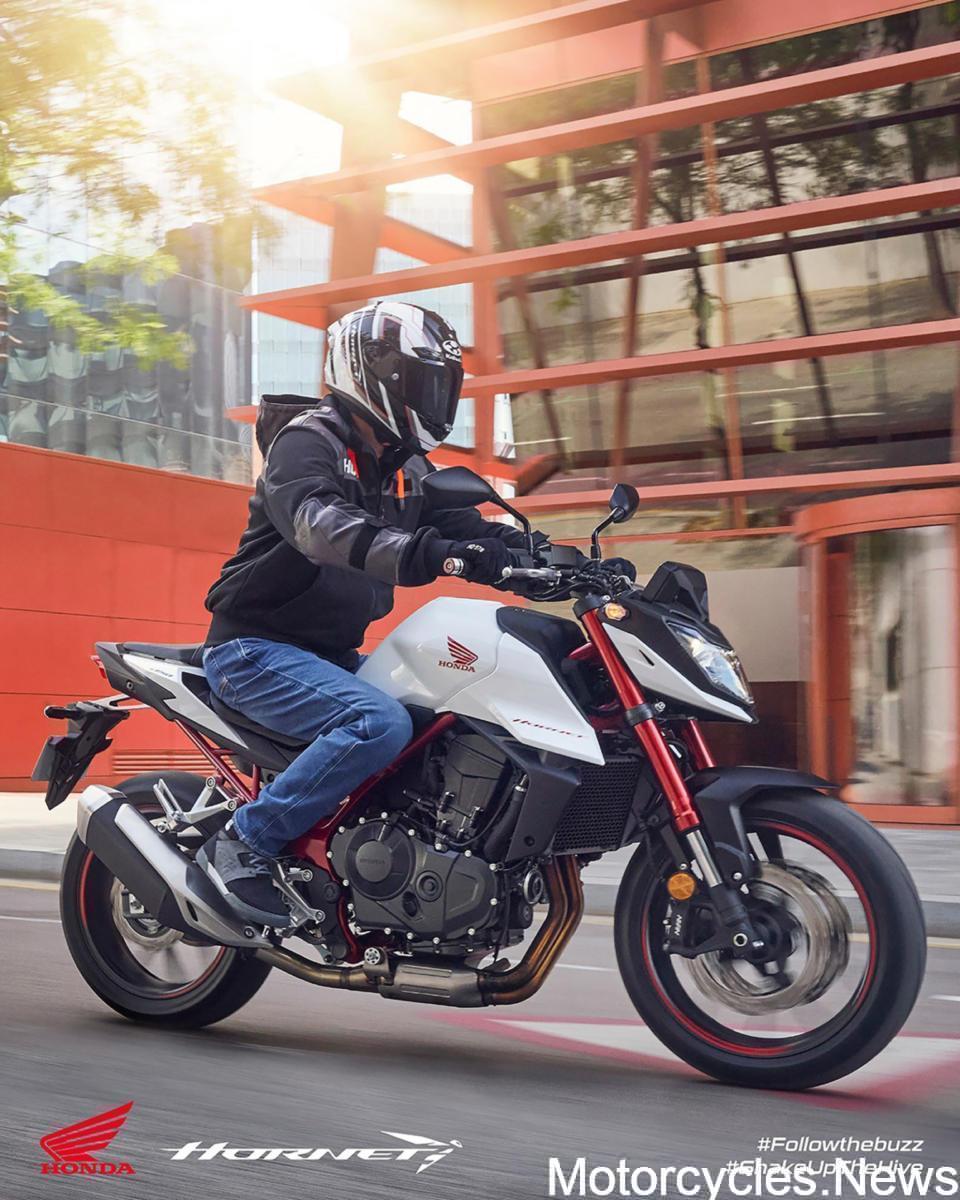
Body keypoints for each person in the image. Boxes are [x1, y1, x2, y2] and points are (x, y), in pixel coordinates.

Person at [197, 301, 540, 927]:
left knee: (448, 715)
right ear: (372, 372)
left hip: (327, 656)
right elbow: (318, 524)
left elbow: (466, 527)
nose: (433, 398)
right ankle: (242, 842)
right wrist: (433, 554)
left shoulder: (403, 466)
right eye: (422, 382)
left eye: (439, 385)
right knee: (377, 723)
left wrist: (546, 556)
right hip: (253, 651)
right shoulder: (306, 441)